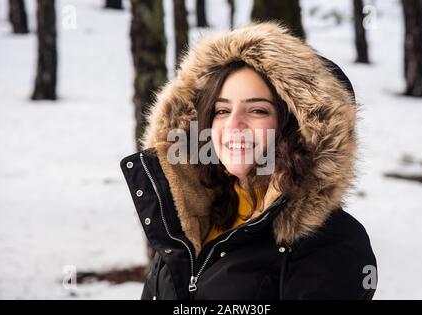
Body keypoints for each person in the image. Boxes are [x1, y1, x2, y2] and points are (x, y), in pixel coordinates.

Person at [120, 22, 377, 300]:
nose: (233, 125)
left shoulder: (334, 243)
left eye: (257, 110)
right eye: (221, 110)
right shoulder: (190, 223)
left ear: (298, 129)